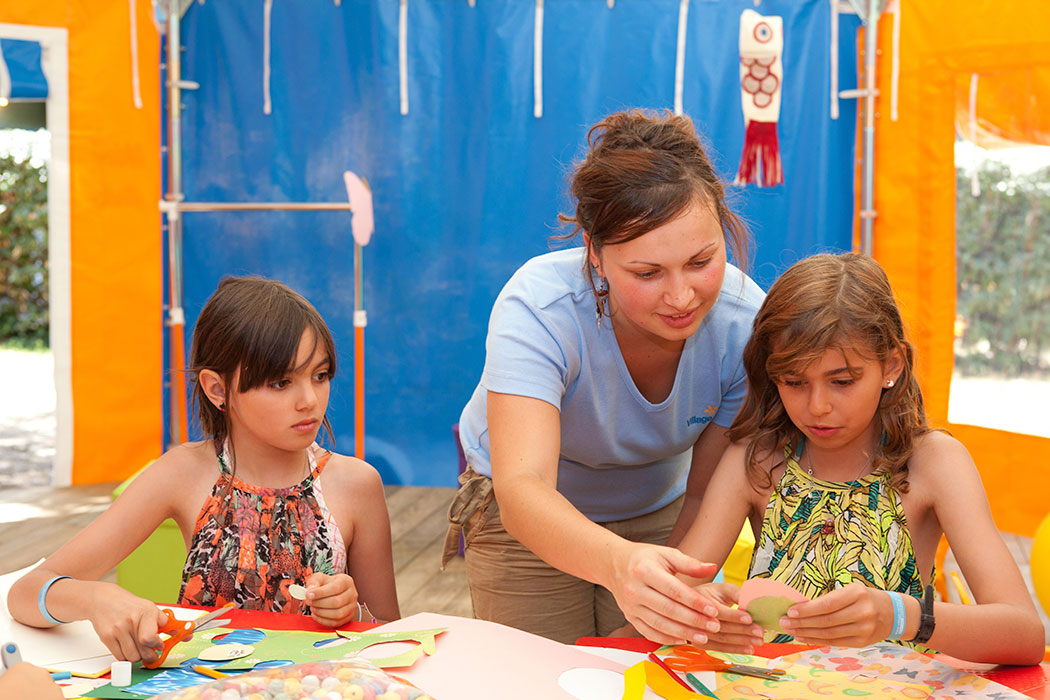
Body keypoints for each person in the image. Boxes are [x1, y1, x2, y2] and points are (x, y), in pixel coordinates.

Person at [443, 109, 767, 647]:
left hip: (663, 515)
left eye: (701, 261)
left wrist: (671, 592)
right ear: (593, 254)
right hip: (522, 523)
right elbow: (523, 490)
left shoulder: (742, 325)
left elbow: (708, 492)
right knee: (542, 677)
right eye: (646, 273)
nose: (682, 296)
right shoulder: (540, 308)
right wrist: (619, 564)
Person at [676, 252, 1044, 664]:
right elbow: (677, 594)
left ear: (890, 366)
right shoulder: (756, 461)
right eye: (794, 381)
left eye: (842, 381)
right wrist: (701, 609)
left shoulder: (933, 463)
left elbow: (1024, 634)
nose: (817, 406)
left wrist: (900, 616)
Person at [8, 277, 399, 663]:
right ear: (216, 389)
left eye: (320, 375)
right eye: (281, 382)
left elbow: (392, 636)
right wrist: (95, 598)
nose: (310, 400)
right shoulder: (183, 473)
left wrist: (351, 612)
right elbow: (25, 592)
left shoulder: (356, 484)